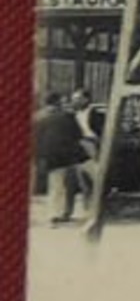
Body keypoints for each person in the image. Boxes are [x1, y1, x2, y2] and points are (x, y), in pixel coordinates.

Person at [34, 93, 87, 224]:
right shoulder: (68, 116)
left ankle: (54, 214)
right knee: (69, 186)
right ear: (58, 103)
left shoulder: (38, 118)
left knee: (55, 186)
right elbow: (79, 135)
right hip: (69, 156)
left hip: (51, 157)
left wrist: (39, 157)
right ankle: (65, 213)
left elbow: (36, 140)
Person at [70, 89, 105, 203]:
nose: (74, 102)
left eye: (78, 99)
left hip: (92, 144)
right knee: (81, 175)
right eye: (74, 99)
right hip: (79, 145)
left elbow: (102, 132)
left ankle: (99, 202)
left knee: (95, 174)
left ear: (86, 99)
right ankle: (87, 202)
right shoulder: (74, 114)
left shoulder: (96, 114)